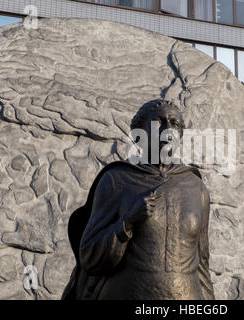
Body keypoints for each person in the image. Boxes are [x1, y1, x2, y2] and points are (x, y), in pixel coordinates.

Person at [61, 100, 214, 300]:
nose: (168, 130)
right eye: (159, 122)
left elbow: (202, 264)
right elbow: (89, 255)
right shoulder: (116, 180)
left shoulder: (197, 188)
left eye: (175, 124)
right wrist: (126, 223)